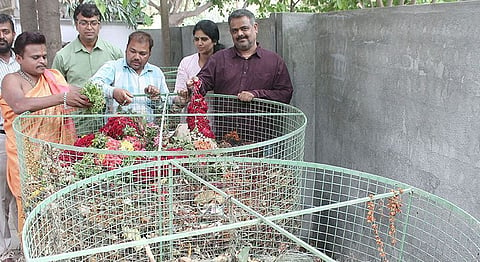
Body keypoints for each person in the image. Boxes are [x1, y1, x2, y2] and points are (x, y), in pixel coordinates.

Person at [0, 31, 91, 233]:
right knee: (29, 210)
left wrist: (95, 96)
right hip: (26, 158)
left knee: (58, 207)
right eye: (35, 57)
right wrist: (62, 98)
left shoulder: (53, 78)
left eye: (44, 56)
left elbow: (74, 93)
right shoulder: (11, 80)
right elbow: (19, 104)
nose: (42, 61)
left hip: (55, 156)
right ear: (19, 58)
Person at [183, 9, 293, 104]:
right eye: (235, 30)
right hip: (225, 128)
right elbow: (203, 81)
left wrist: (256, 94)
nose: (240, 34)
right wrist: (195, 83)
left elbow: (285, 94)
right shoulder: (218, 59)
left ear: (255, 28)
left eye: (244, 28)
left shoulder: (274, 61)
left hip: (263, 128)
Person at [90, 31, 168, 114]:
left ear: (149, 54)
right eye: (133, 51)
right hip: (118, 125)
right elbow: (93, 84)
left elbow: (167, 103)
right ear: (126, 49)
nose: (137, 57)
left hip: (148, 126)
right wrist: (113, 92)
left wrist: (157, 98)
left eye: (142, 54)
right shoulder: (113, 67)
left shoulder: (156, 73)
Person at [52, 3, 123, 88]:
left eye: (93, 23)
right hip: (75, 101)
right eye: (84, 23)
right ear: (76, 25)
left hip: (107, 100)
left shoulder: (115, 53)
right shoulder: (62, 56)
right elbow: (55, 87)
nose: (89, 28)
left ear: (99, 25)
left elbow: (123, 82)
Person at [0, 13, 20, 261]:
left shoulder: (22, 61)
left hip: (24, 136)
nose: (1, 36)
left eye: (5, 31)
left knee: (20, 192)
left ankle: (22, 242)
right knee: (2, 195)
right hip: (1, 138)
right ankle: (3, 250)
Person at [174, 20, 225, 92]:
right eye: (196, 39)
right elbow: (177, 93)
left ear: (214, 41)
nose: (199, 43)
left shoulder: (224, 62)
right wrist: (182, 97)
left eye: (204, 39)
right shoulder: (186, 63)